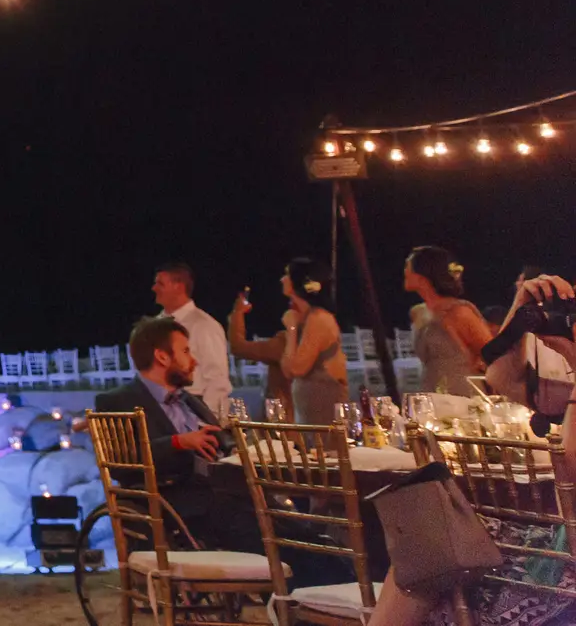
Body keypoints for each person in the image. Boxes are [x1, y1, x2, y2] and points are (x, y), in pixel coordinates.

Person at [366, 274, 576, 626]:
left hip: (565, 560)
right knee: (431, 535)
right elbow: (501, 382)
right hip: (556, 541)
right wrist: (519, 317)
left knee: (436, 548)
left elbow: (568, 477)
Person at [94, 316, 255, 552]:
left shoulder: (189, 400)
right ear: (162, 356)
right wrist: (178, 442)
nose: (194, 361)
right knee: (257, 521)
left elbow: (219, 441)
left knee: (280, 509)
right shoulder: (117, 401)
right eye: (186, 351)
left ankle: (317, 555)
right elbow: (122, 461)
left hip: (218, 492)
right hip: (173, 499)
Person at [234, 258, 347, 425]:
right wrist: (292, 330)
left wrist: (292, 328)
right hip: (309, 410)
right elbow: (287, 370)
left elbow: (296, 368)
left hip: (324, 409)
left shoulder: (319, 319)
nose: (282, 279)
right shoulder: (306, 319)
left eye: (287, 274)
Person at [403, 245, 493, 396]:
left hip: (464, 397)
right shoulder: (417, 312)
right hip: (430, 394)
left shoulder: (460, 312)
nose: (405, 271)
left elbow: (494, 355)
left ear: (423, 274)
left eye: (408, 266)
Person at [152, 262, 233, 420]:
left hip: (193, 413)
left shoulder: (204, 325)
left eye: (160, 283)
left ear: (179, 287)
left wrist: (205, 420)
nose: (154, 288)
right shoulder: (154, 326)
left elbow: (217, 378)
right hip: (160, 415)